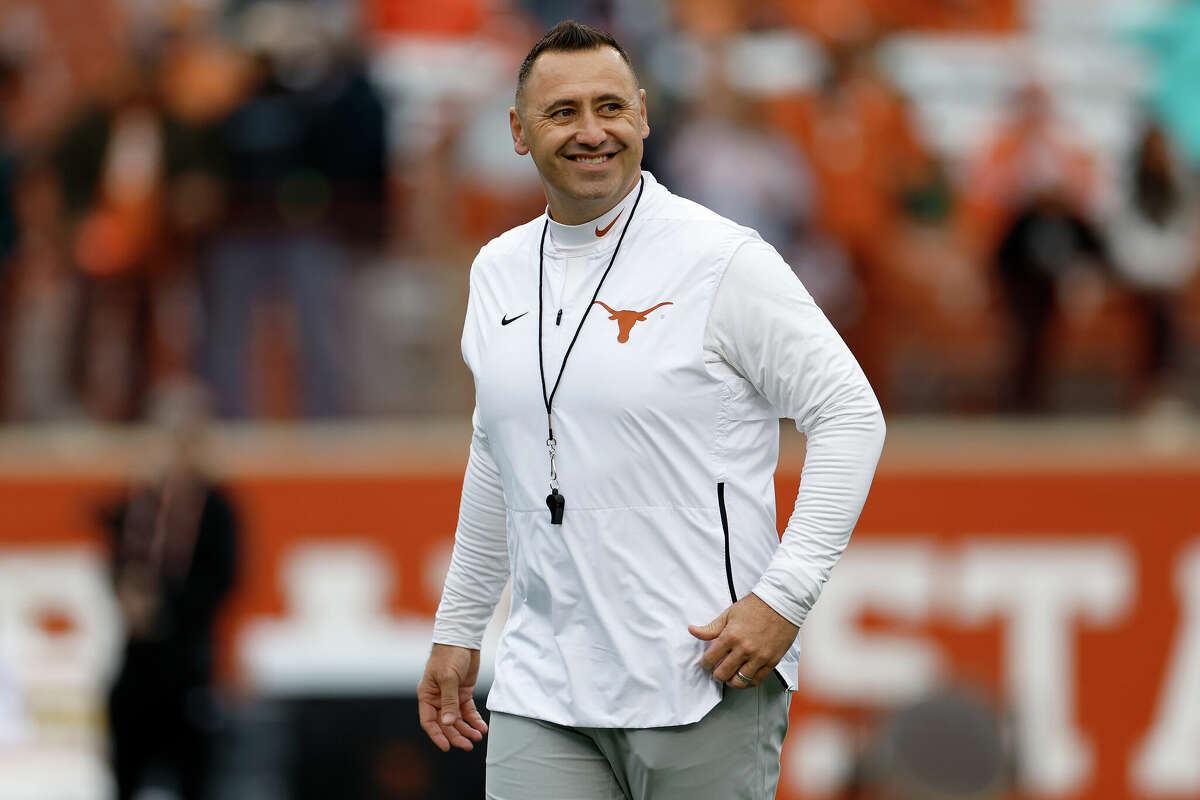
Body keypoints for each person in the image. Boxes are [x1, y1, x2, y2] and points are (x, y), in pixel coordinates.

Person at [417, 21, 885, 800]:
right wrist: (461, 624)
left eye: (610, 107)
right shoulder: (497, 271)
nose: (592, 131)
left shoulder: (720, 259)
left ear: (642, 114)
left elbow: (850, 413)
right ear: (518, 131)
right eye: (563, 112)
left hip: (700, 676)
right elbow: (499, 449)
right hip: (545, 684)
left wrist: (784, 597)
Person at [103, 386, 239, 800]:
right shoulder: (142, 502)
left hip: (188, 661)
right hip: (136, 662)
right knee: (125, 769)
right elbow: (117, 561)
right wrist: (127, 598)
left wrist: (163, 608)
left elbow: (224, 579)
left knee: (193, 776)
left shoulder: (216, 507)